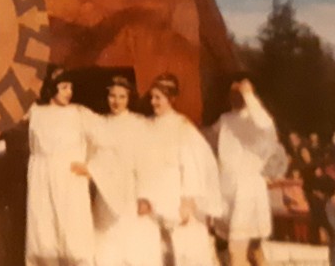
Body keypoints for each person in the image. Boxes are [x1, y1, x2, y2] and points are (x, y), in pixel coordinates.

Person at [138, 73, 222, 266]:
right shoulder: (147, 124)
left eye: (158, 98)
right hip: (153, 190)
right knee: (155, 247)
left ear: (171, 99)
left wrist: (188, 200)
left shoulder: (182, 126)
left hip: (175, 191)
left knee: (183, 246)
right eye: (152, 97)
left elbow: (192, 164)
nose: (153, 102)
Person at [25, 65, 101, 266]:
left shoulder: (79, 113)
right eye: (64, 87)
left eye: (71, 87)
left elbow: (106, 137)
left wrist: (91, 167)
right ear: (52, 88)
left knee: (74, 240)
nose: (69, 92)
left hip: (70, 180)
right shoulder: (36, 113)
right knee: (44, 238)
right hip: (42, 181)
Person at [84, 76, 160, 266]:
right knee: (106, 247)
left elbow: (147, 163)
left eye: (121, 97)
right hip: (105, 192)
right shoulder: (99, 123)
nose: (116, 102)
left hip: (130, 192)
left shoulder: (138, 124)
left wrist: (145, 195)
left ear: (129, 99)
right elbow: (91, 157)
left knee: (133, 247)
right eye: (112, 96)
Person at [212, 76, 279, 266]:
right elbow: (209, 138)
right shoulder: (225, 119)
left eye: (240, 92)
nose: (236, 96)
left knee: (237, 249)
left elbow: (266, 125)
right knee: (251, 251)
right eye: (233, 92)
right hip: (227, 189)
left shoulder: (258, 120)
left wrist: (248, 95)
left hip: (247, 190)